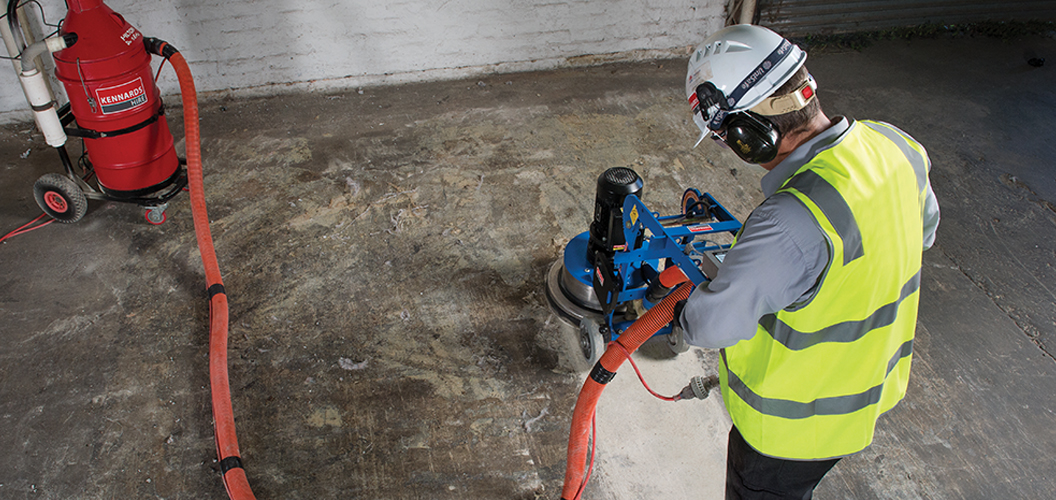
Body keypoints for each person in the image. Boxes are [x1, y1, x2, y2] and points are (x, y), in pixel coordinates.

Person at [675, 24, 940, 499]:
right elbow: (924, 232)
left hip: (792, 430)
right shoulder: (895, 144)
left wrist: (679, 311)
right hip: (872, 386)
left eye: (723, 138)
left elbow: (710, 326)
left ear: (746, 136)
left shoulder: (789, 222)